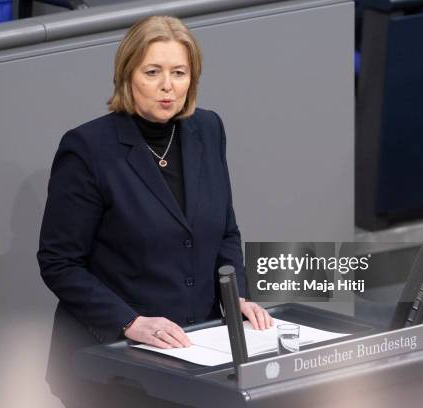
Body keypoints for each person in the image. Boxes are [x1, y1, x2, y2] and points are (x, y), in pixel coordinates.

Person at [37, 15, 272, 407]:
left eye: (179, 72)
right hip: (111, 363)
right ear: (127, 75)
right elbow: (59, 263)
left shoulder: (208, 130)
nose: (168, 86)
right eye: (153, 72)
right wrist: (130, 322)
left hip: (195, 353)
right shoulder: (88, 149)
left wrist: (238, 298)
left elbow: (225, 231)